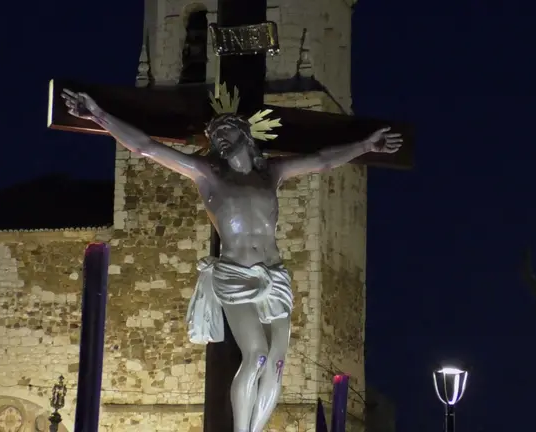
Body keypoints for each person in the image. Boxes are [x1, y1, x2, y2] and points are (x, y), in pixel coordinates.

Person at [61, 88, 402, 432]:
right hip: (235, 274)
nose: (218, 139)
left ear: (245, 133)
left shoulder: (272, 173)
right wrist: (98, 115)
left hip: (275, 274)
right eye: (213, 136)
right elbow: (146, 147)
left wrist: (366, 145)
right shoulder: (208, 174)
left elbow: (323, 160)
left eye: (225, 130)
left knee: (277, 363)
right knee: (257, 355)